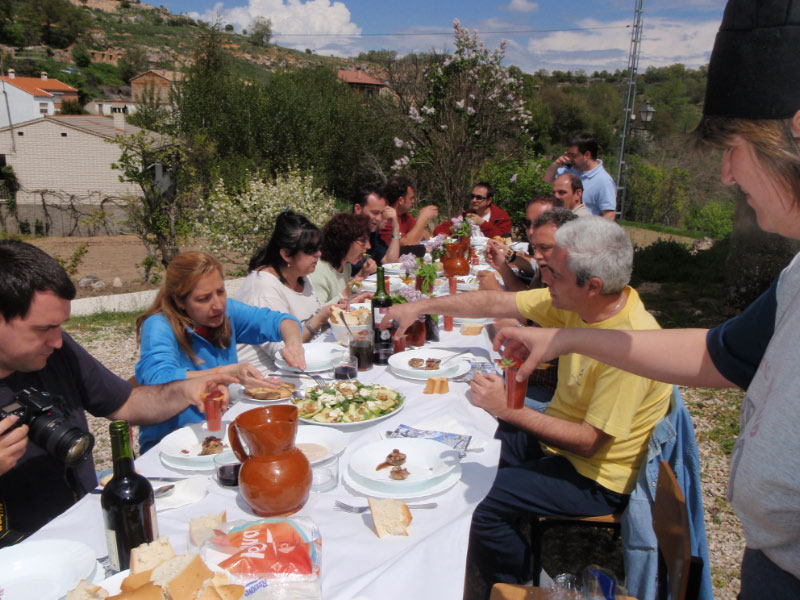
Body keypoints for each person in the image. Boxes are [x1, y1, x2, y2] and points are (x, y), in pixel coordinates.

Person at [496, 2, 800, 596]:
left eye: (732, 147)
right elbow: (715, 353)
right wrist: (562, 338)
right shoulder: (797, 277)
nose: (725, 176)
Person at [381, 217, 671, 588]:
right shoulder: (582, 302)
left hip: (593, 475)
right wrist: (420, 305)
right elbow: (493, 300)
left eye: (554, 272)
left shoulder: (631, 346)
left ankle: (523, 587)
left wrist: (508, 409)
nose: (544, 277)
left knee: (479, 506)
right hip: (558, 443)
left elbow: (588, 440)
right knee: (464, 451)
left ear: (592, 286)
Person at [0, 240, 235, 543]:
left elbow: (127, 402)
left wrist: (186, 390)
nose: (58, 341)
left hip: (87, 528)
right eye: (44, 329)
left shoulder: (56, 352)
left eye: (61, 326)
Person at [135, 251, 305, 453]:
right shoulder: (158, 325)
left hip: (216, 434)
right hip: (174, 445)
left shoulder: (227, 312)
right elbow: (157, 379)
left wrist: (293, 343)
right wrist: (225, 373)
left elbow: (282, 321)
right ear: (179, 302)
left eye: (221, 291)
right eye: (203, 299)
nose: (217, 305)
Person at [235, 211, 340, 372]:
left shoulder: (301, 275)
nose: (318, 254)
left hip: (302, 364)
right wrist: (319, 320)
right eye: (310, 249)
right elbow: (284, 352)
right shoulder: (264, 287)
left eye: (319, 247)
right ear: (286, 254)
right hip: (263, 374)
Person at [479, 196, 565, 292]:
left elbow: (535, 306)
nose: (531, 231)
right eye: (527, 223)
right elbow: (529, 297)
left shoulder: (565, 267)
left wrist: (495, 290)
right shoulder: (547, 258)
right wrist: (503, 263)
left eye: (539, 223)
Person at [544, 133, 616, 220]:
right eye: (568, 155)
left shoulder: (604, 181)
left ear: (587, 155)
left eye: (573, 155)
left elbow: (609, 215)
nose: (570, 158)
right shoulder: (569, 170)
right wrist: (556, 164)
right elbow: (547, 183)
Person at [308, 213, 374, 305]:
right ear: (345, 241)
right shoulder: (318, 270)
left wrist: (363, 273)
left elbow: (344, 301)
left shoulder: (346, 266)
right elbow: (317, 314)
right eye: (363, 241)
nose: (368, 246)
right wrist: (345, 294)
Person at [433, 182, 512, 238]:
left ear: (489, 200)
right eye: (472, 196)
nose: (474, 200)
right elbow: (443, 228)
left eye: (479, 197)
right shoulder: (467, 215)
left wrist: (482, 223)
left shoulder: (501, 216)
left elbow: (504, 238)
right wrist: (442, 234)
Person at [379, 176, 438, 248]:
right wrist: (423, 218)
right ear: (401, 200)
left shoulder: (404, 215)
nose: (413, 201)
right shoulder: (385, 219)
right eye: (411, 198)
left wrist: (412, 236)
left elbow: (425, 235)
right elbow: (408, 244)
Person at [352, 185, 400, 270]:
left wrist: (396, 227)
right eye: (375, 213)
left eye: (381, 213)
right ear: (358, 209)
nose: (379, 218)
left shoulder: (372, 233)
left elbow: (389, 262)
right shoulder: (344, 234)